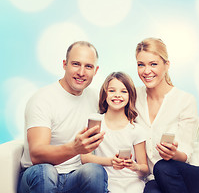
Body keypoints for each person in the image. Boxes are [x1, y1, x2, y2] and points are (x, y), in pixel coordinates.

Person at [18, 41, 108, 193]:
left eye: (88, 66)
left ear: (96, 70)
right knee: (46, 172)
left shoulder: (95, 97)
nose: (81, 72)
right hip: (38, 176)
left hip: (73, 177)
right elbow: (37, 155)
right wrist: (74, 148)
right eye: (75, 64)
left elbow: (124, 107)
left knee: (94, 171)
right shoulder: (43, 99)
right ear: (64, 64)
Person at [135, 37, 199, 193]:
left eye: (153, 64)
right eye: (141, 65)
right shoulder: (133, 97)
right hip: (156, 177)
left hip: (194, 172)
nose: (146, 71)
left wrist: (174, 154)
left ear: (167, 65)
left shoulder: (185, 100)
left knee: (163, 167)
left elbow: (185, 153)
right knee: (150, 190)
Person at [81, 72, 149, 193]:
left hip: (132, 182)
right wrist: (111, 162)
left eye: (123, 91)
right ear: (105, 94)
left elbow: (144, 168)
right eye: (112, 91)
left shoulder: (136, 130)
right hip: (106, 181)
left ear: (130, 96)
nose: (117, 95)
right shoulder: (95, 121)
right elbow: (85, 158)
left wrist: (135, 166)